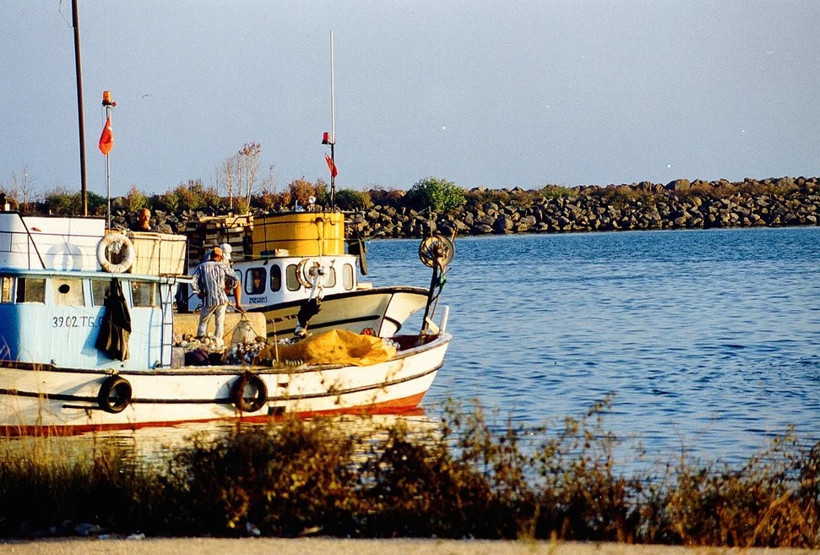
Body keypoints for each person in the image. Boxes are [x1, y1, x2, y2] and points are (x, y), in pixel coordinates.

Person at [191, 246, 243, 344]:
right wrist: (228, 288)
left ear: (211, 256)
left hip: (208, 299)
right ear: (219, 257)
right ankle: (218, 342)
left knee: (203, 321)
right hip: (222, 299)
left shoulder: (202, 266)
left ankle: (201, 340)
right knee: (219, 323)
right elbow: (236, 279)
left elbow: (193, 279)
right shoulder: (223, 267)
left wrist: (198, 292)